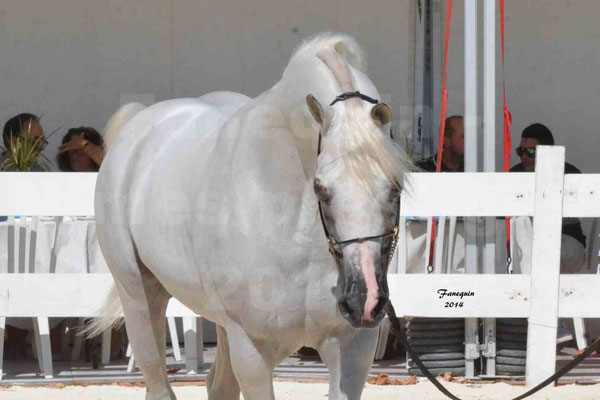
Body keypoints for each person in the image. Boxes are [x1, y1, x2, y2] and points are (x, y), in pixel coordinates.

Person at [511, 123, 586, 344]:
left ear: (546, 152)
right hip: (528, 250)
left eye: (530, 152)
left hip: (567, 244)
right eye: (521, 151)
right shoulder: (514, 174)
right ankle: (546, 325)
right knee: (525, 239)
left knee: (541, 250)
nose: (524, 156)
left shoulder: (568, 172)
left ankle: (549, 321)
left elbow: (572, 218)